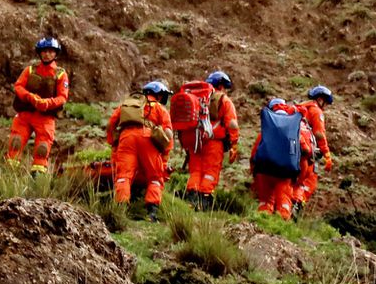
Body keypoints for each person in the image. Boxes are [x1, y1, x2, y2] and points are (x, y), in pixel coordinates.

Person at [107, 81, 174, 218]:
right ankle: (152, 212)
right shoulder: (160, 109)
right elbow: (168, 134)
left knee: (123, 176)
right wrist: (164, 157)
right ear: (159, 95)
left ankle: (121, 209)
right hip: (148, 138)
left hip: (126, 139)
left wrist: (114, 144)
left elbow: (111, 124)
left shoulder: (127, 105)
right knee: (155, 177)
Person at [7, 37, 69, 174]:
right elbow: (18, 86)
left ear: (55, 53)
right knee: (15, 143)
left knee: (42, 149)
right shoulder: (30, 70)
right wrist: (30, 97)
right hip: (25, 114)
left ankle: (37, 180)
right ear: (39, 53)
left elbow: (62, 97)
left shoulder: (60, 74)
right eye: (44, 51)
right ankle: (9, 176)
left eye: (50, 51)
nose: (47, 54)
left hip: (45, 118)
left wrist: (47, 103)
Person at [185, 70, 238, 205]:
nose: (225, 91)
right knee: (210, 171)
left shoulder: (196, 98)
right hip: (213, 142)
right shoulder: (223, 100)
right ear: (220, 85)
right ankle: (205, 198)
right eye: (225, 87)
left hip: (195, 139)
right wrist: (234, 144)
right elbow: (232, 124)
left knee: (195, 170)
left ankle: (191, 196)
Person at [250, 98, 308, 217]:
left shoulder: (265, 131)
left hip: (264, 171)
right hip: (285, 173)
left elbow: (254, 155)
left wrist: (255, 174)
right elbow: (306, 150)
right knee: (284, 203)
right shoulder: (293, 132)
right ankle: (280, 229)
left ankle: (262, 225)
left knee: (265, 202)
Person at [295, 86, 336, 209]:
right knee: (309, 182)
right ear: (320, 99)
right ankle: (296, 205)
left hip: (294, 149)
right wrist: (327, 155)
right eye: (326, 103)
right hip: (306, 151)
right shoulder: (316, 111)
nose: (326, 106)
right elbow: (319, 134)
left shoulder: (300, 108)